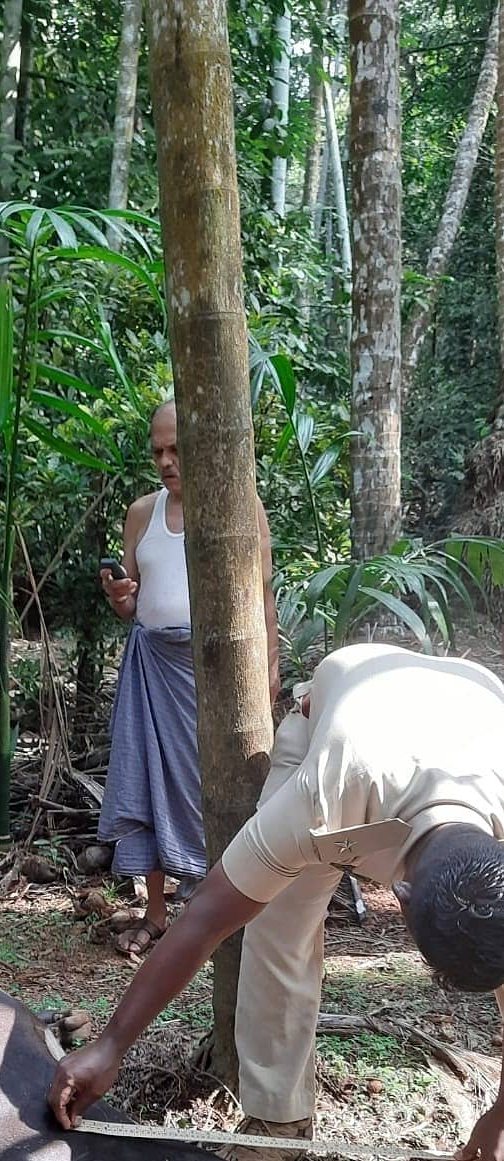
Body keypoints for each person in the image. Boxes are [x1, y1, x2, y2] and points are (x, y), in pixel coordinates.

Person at [49, 642, 504, 1161]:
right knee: (277, 919)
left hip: (458, 711)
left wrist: (500, 1118)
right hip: (335, 726)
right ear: (397, 899)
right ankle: (279, 1123)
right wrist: (110, 1045)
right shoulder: (328, 789)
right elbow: (208, 915)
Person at [98, 398, 279, 955]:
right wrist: (120, 598)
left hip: (217, 674)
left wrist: (269, 667)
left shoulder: (241, 506)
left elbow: (262, 595)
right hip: (152, 668)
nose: (166, 462)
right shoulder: (141, 513)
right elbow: (132, 601)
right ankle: (156, 910)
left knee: (221, 785)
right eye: (157, 451)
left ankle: (228, 909)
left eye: (177, 449)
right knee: (148, 781)